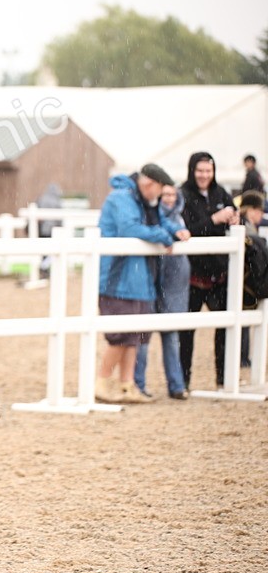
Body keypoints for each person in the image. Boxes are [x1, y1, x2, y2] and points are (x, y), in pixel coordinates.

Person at [95, 164, 189, 404]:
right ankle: (102, 382)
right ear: (149, 185)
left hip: (141, 279)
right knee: (120, 336)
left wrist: (177, 231)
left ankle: (127, 385)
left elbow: (158, 222)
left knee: (135, 336)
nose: (159, 197)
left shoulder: (145, 201)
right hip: (118, 279)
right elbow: (130, 228)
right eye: (158, 191)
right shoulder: (121, 199)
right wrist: (164, 236)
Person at [179, 152, 238, 389]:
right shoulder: (183, 195)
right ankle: (183, 381)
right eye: (200, 170)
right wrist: (213, 219)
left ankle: (223, 379)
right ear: (192, 170)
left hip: (219, 274)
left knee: (224, 328)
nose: (204, 175)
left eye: (208, 171)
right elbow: (188, 229)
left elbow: (235, 215)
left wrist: (234, 218)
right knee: (186, 332)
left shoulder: (221, 193)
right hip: (192, 274)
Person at [134, 184, 190, 400]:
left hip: (174, 283)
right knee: (143, 337)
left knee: (171, 336)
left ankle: (176, 385)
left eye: (172, 195)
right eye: (165, 194)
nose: (168, 198)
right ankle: (139, 383)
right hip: (150, 279)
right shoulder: (150, 215)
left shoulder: (180, 219)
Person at [238, 191, 265, 365]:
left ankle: (242, 356)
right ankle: (242, 357)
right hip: (245, 282)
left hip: (244, 281)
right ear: (252, 210)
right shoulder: (245, 229)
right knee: (243, 320)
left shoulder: (247, 228)